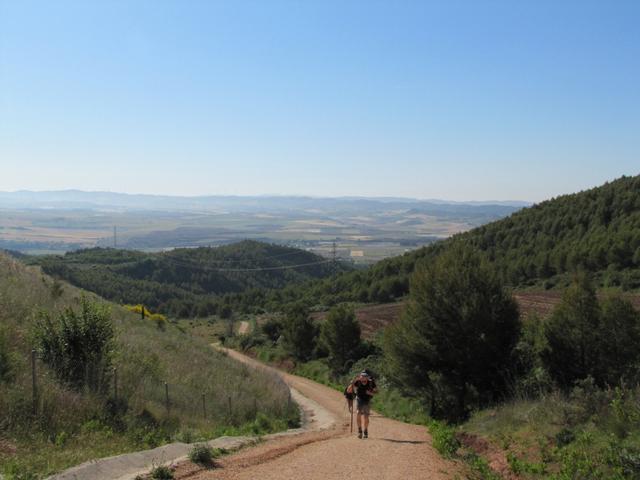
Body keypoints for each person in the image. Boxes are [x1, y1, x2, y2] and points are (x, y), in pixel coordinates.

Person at [345, 371, 377, 438]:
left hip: (367, 400)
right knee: (358, 413)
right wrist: (352, 384)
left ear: (367, 377)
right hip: (359, 399)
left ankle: (365, 430)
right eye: (362, 376)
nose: (363, 378)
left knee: (366, 417)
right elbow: (348, 391)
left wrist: (370, 393)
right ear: (360, 377)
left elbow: (376, 391)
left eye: (365, 376)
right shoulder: (357, 382)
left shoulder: (371, 383)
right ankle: (359, 430)